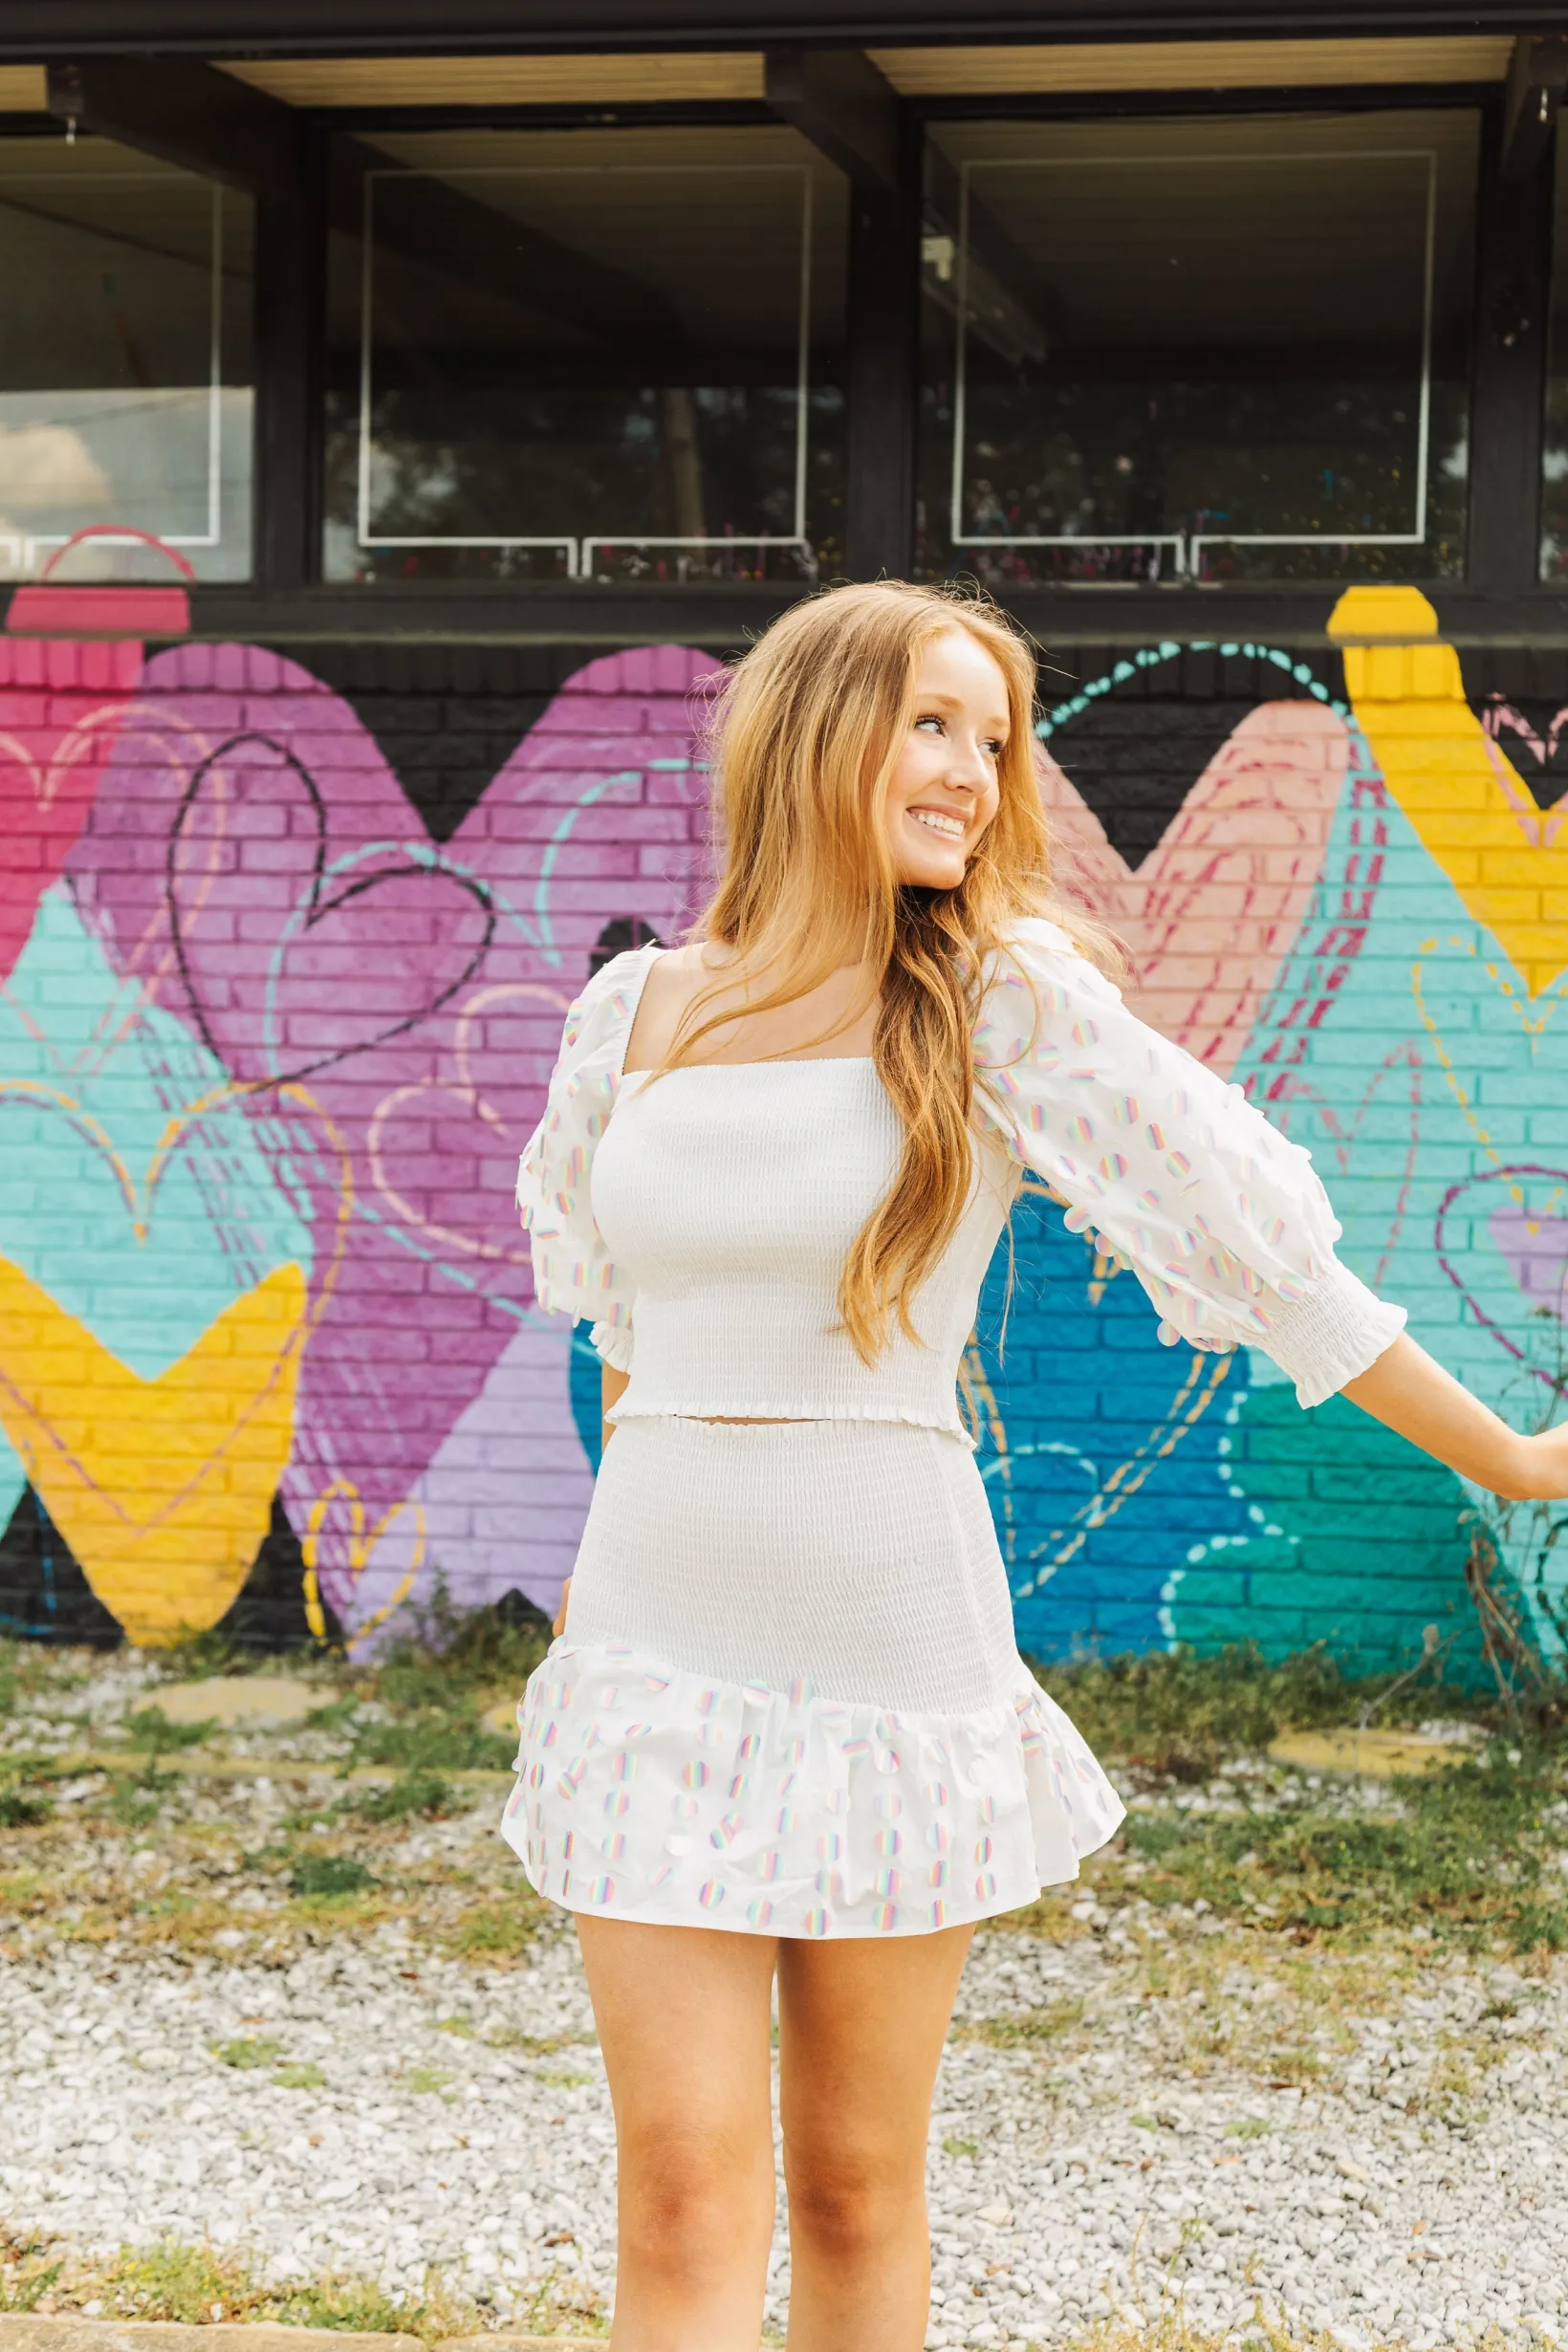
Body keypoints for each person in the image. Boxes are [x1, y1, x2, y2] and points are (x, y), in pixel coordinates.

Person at [505, 580, 1563, 2352]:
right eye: (933, 724)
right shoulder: (634, 1014)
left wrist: (1518, 1463)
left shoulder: (997, 1001)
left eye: (995, 740)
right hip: (650, 1655)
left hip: (894, 1651)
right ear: (812, 732)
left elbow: (1263, 1251)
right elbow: (617, 1312)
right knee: (679, 2189)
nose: (976, 776)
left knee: (855, 2184)